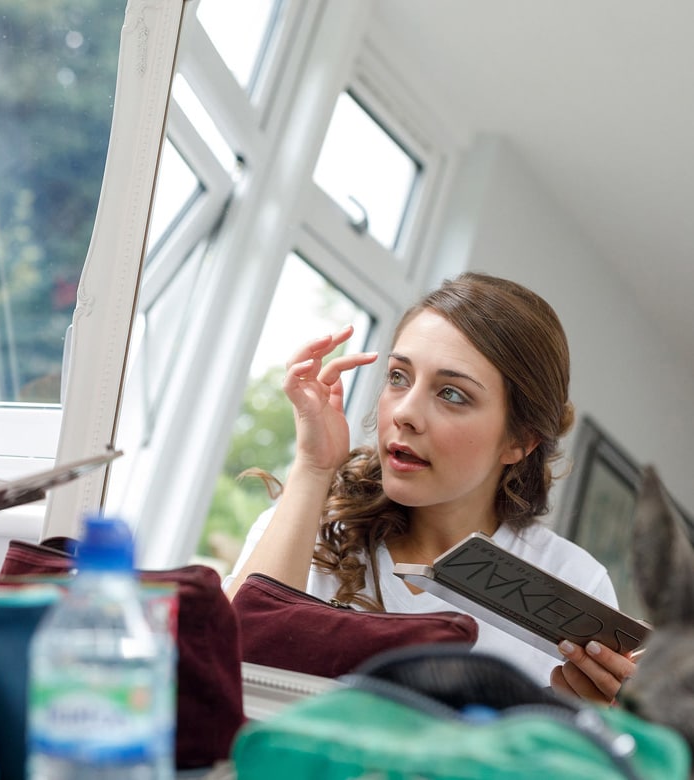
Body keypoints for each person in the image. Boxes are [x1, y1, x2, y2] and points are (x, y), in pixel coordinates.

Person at [223, 272, 636, 705]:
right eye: (399, 377)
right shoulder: (304, 527)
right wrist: (312, 468)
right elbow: (215, 675)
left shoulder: (573, 581)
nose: (405, 412)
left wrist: (578, 724)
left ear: (520, 440)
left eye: (452, 394)